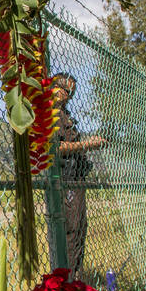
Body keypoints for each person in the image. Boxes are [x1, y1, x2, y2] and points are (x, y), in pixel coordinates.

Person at [52, 73, 106, 276]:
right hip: (65, 179)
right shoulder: (51, 115)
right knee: (71, 230)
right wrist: (87, 144)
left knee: (79, 228)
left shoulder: (64, 114)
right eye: (67, 91)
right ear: (55, 88)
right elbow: (56, 148)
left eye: (72, 93)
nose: (69, 96)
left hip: (76, 179)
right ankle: (67, 279)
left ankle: (74, 275)